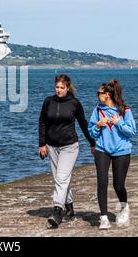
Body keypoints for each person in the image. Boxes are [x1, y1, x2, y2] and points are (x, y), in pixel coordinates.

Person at [39, 74, 96, 228]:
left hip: (69, 146)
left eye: (62, 88)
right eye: (57, 87)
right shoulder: (48, 102)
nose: (59, 90)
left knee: (61, 178)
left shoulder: (74, 103)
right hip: (51, 146)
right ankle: (69, 207)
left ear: (67, 87)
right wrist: (42, 144)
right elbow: (42, 122)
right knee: (60, 178)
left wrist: (92, 142)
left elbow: (84, 124)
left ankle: (57, 212)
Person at [88, 80, 137, 230]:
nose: (97, 95)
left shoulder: (124, 110)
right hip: (102, 150)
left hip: (122, 151)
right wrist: (97, 125)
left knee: (118, 185)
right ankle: (103, 218)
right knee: (102, 182)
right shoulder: (97, 110)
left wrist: (119, 123)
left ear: (107, 95)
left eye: (99, 93)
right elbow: (91, 132)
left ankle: (124, 207)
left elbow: (132, 131)